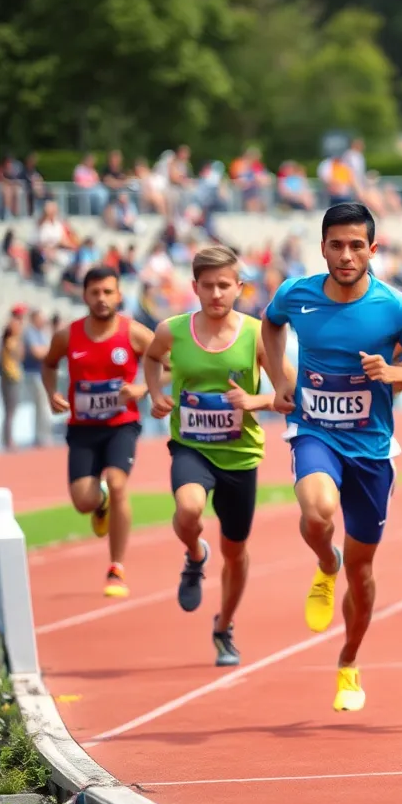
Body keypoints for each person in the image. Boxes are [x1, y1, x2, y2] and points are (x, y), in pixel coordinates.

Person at [261, 202, 402, 712]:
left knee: (363, 573)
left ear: (373, 248)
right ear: (322, 247)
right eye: (335, 245)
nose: (345, 255)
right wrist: (281, 381)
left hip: (371, 448)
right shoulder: (295, 295)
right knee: (318, 512)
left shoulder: (395, 308)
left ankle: (348, 661)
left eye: (355, 246)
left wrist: (393, 374)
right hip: (314, 429)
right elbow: (270, 324)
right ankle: (326, 562)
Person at [144, 245, 289, 666]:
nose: (216, 294)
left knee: (235, 551)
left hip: (240, 455)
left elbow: (286, 394)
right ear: (194, 287)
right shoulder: (171, 330)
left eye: (224, 285)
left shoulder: (257, 334)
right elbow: (152, 358)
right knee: (188, 509)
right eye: (207, 286)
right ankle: (193, 554)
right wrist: (155, 394)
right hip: (191, 446)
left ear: (239, 287)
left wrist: (254, 401)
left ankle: (224, 626)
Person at [40, 266, 152, 597]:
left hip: (121, 425)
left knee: (119, 483)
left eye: (108, 292)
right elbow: (48, 364)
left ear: (119, 295)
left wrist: (143, 389)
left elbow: (169, 361)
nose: (102, 299)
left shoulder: (133, 333)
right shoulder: (68, 335)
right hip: (83, 429)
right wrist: (51, 394)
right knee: (82, 501)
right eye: (95, 292)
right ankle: (99, 499)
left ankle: (116, 568)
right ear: (84, 295)